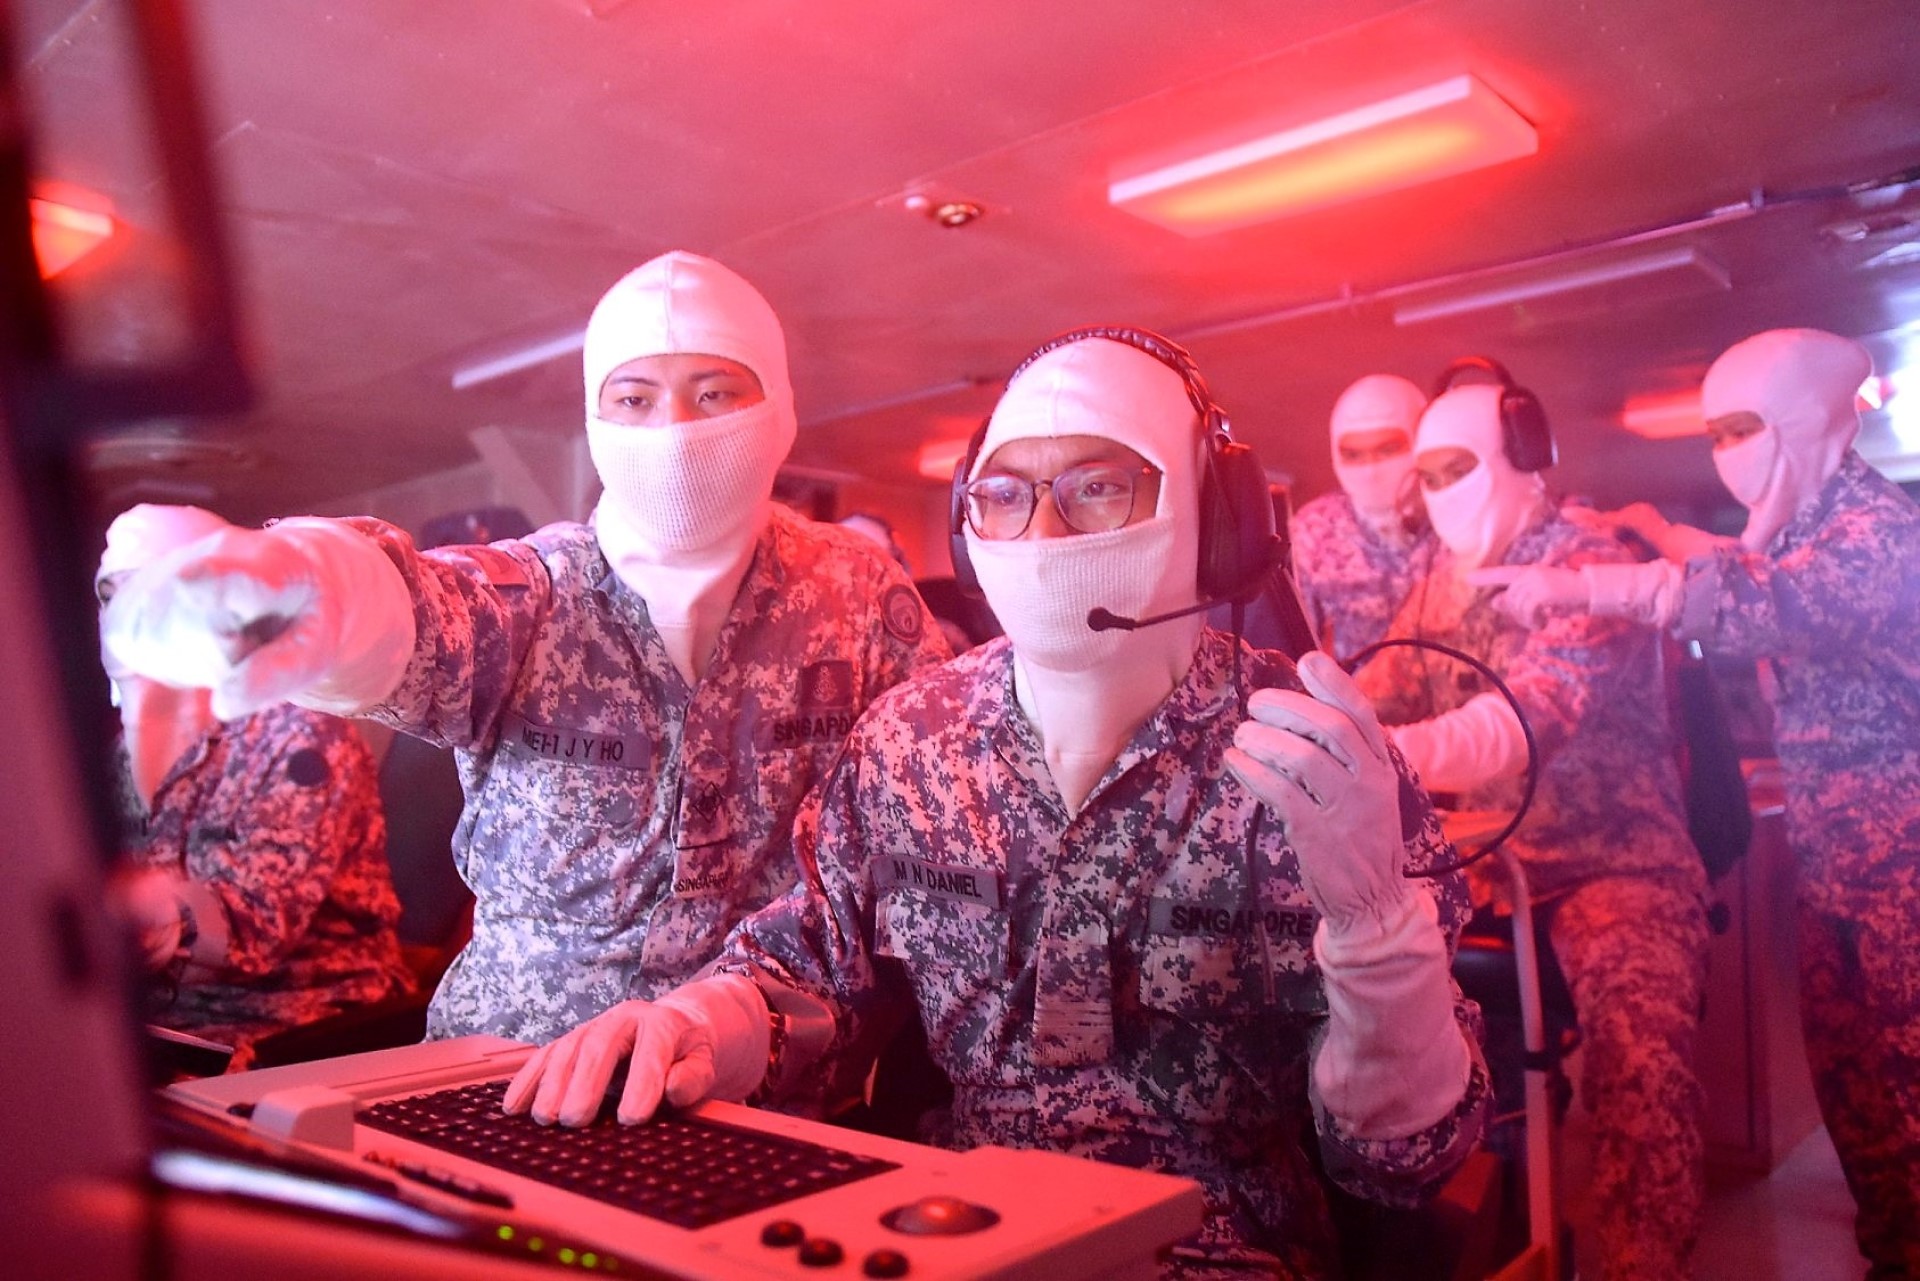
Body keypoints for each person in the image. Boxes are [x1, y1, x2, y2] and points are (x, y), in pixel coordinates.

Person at [503, 331, 1489, 1279]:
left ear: (1210, 513)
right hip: (946, 1230)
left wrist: (1376, 931)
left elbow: (1403, 1167)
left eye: (1097, 486)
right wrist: (698, 1024)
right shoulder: (908, 738)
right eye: (1006, 496)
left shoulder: (1313, 755)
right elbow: (810, 962)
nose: (1044, 535)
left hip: (1209, 1246)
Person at [100, 251, 951, 1046]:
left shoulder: (856, 596)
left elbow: (936, 805)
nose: (674, 430)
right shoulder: (536, 593)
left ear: (779, 411)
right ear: (596, 417)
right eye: (634, 399)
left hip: (752, 1069)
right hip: (506, 1066)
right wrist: (326, 582)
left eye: (715, 392)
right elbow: (422, 609)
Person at [1480, 328, 1920, 1278]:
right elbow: (1740, 561)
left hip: (1903, 868)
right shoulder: (1803, 524)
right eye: (1713, 433)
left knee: (1910, 1090)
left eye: (1741, 428)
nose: (1725, 451)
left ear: (1800, 422)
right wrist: (1649, 524)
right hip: (1836, 865)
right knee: (1857, 1093)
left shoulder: (1877, 531)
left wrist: (1582, 582)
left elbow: (1755, 603)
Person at [1354, 381, 1710, 1278]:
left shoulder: (1590, 565)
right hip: (1486, 869)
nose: (1442, 492)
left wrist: (1382, 750)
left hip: (1616, 867)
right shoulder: (1437, 581)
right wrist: (1318, 712)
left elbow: (1523, 724)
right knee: (1412, 1057)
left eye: (1459, 468)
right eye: (1428, 474)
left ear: (1521, 458)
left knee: (1642, 1059)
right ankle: (1498, 1246)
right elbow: (1378, 686)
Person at [99, 504, 413, 1071]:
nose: (122, 614)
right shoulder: (116, 757)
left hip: (305, 1027)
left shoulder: (300, 737)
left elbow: (257, 928)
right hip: (169, 1027)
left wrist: (125, 912)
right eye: (109, 593)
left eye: (146, 589)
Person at [1290, 373, 1436, 662]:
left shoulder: (1462, 514)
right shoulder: (1316, 531)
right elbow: (1293, 650)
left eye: (1387, 449)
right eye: (1354, 454)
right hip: (1359, 690)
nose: (1371, 471)